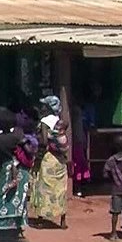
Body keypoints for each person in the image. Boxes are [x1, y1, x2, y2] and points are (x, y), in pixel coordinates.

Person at [0, 111, 32, 239]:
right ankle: (17, 227)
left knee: (1, 197)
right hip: (19, 170)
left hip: (5, 168)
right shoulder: (16, 137)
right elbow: (29, 151)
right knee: (18, 198)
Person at [31, 96, 70, 229]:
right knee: (60, 189)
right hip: (60, 159)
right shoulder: (60, 121)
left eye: (44, 105)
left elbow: (44, 142)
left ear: (48, 107)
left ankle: (41, 219)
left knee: (44, 188)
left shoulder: (45, 121)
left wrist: (37, 156)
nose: (42, 107)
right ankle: (62, 220)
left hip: (48, 158)